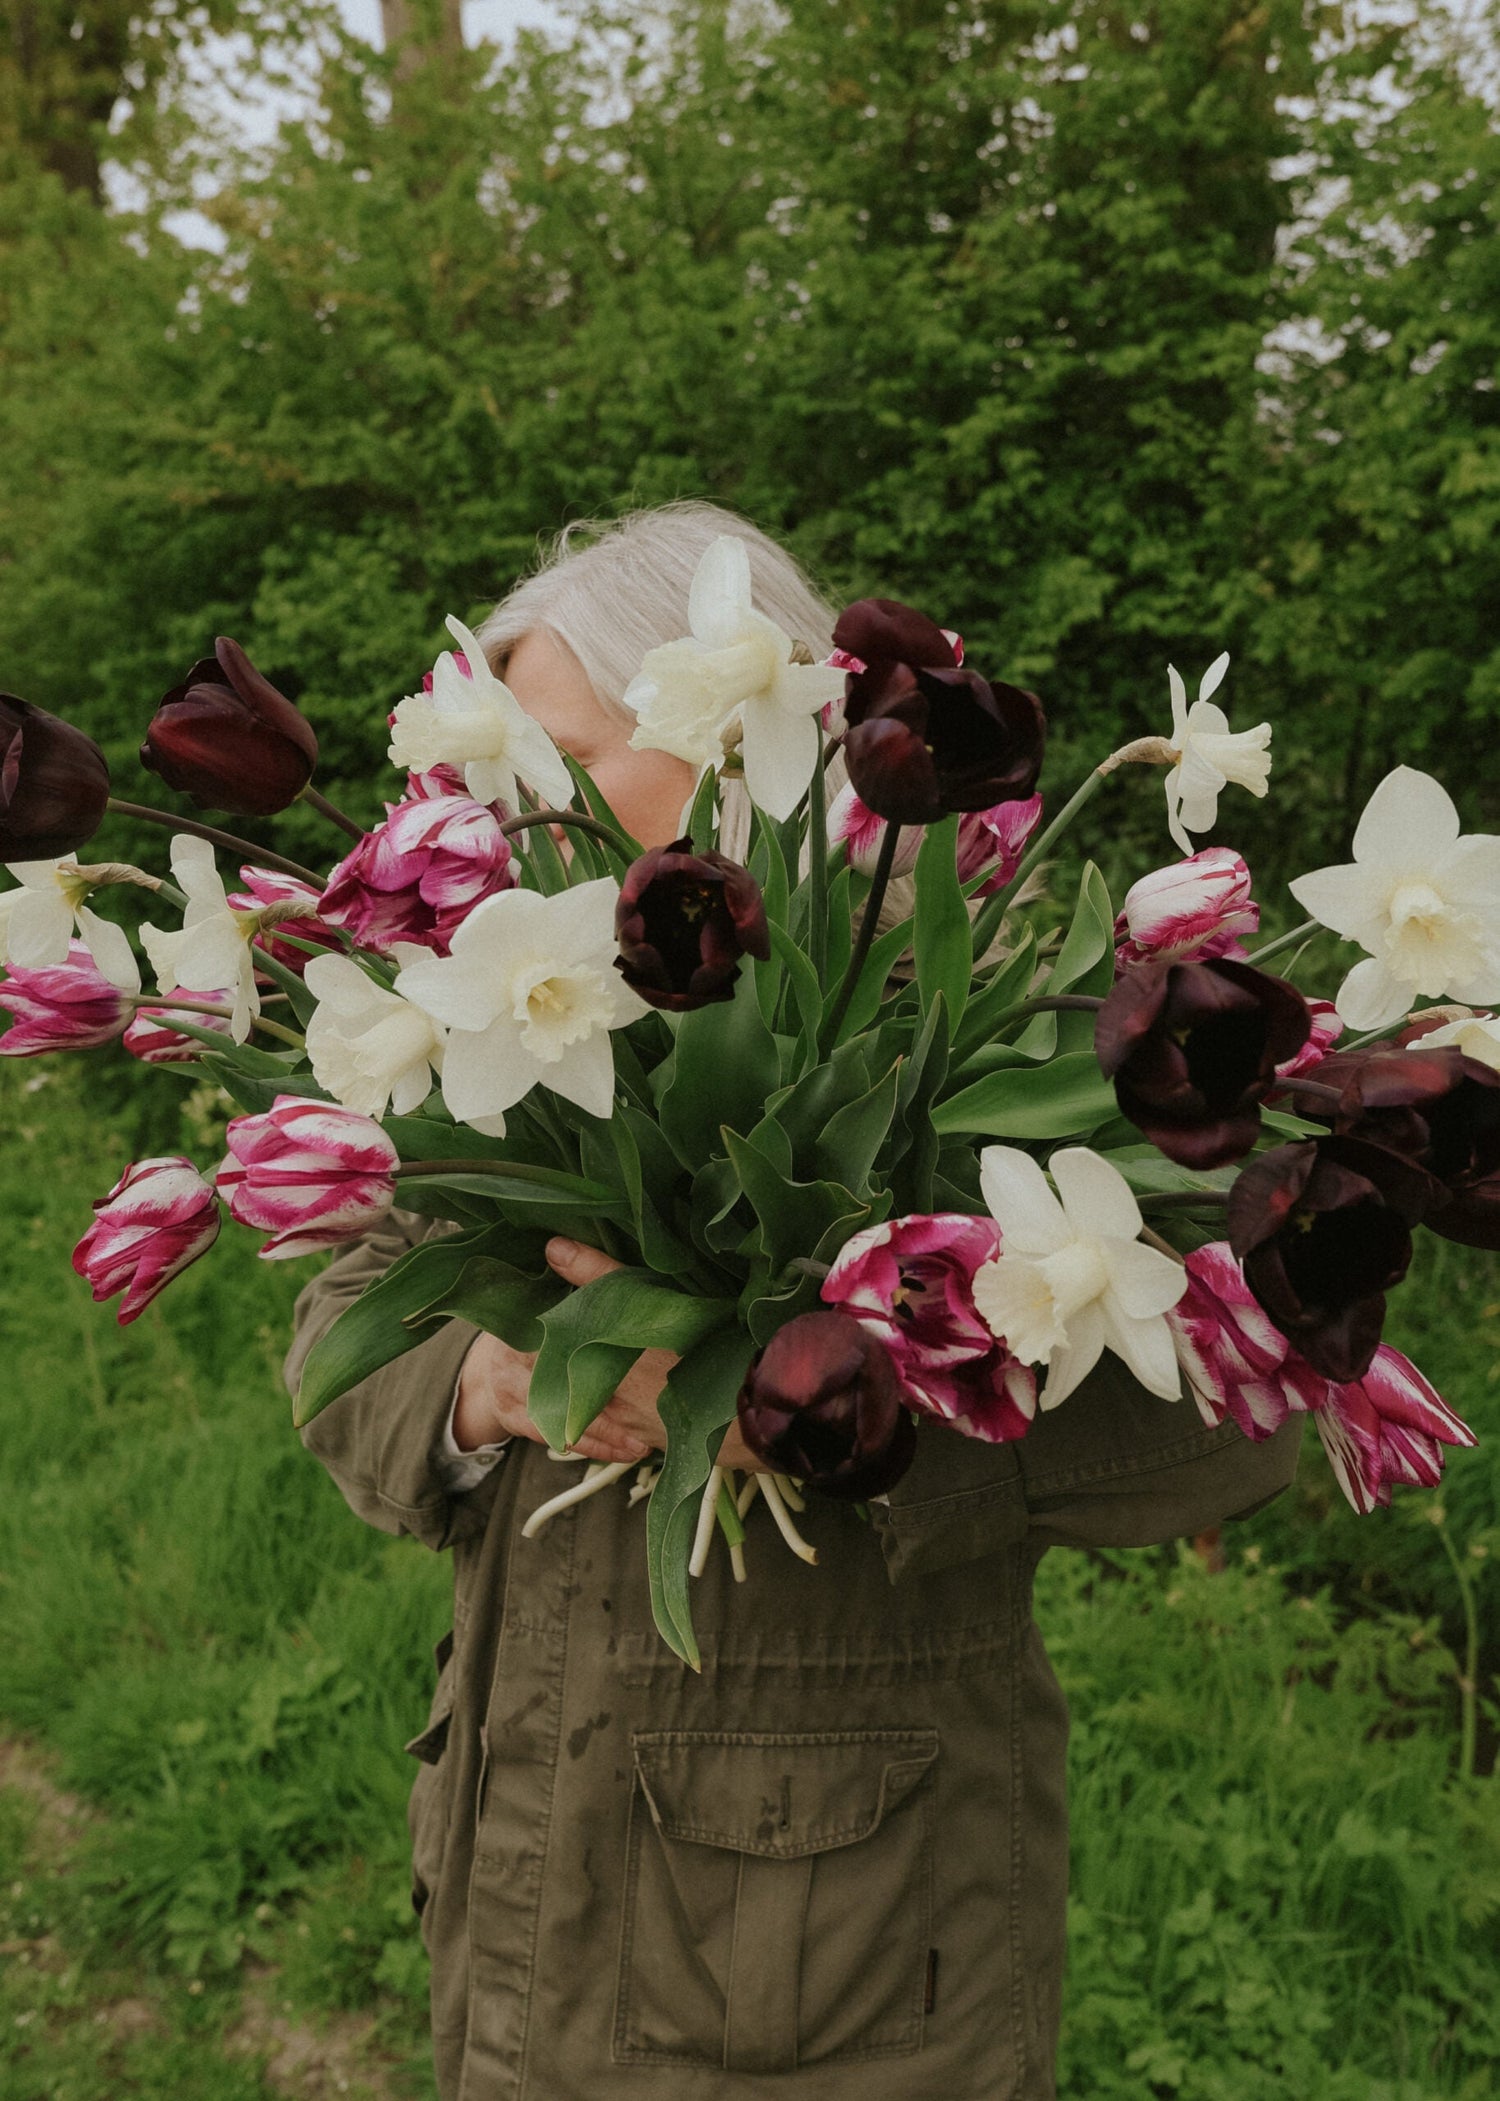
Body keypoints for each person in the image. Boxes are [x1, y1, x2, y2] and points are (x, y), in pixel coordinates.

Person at [286, 501, 1301, 2101]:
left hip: (840, 1955)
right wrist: (499, 1375)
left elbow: (1237, 1420)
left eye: (546, 750)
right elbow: (339, 1346)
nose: (490, 804)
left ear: (729, 734)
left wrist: (852, 1417)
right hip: (525, 1866)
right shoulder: (487, 1024)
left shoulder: (973, 1023)